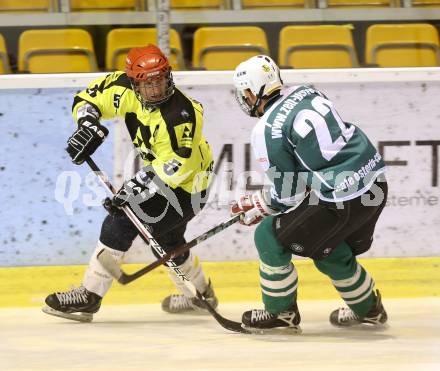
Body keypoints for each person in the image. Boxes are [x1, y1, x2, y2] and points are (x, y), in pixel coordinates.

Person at [42, 44, 217, 322]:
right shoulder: (123, 87)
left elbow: (176, 165)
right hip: (170, 177)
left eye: (160, 80)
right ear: (135, 83)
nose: (156, 89)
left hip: (190, 185)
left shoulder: (181, 115)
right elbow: (88, 99)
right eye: (149, 84)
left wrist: (135, 187)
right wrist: (87, 123)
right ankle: (202, 294)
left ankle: (89, 296)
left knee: (122, 219)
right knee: (168, 239)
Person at [230, 55, 388, 334]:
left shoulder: (266, 130)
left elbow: (288, 194)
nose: (244, 98)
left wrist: (261, 205)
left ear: (253, 91)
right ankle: (370, 309)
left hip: (342, 199)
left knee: (268, 235)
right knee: (325, 246)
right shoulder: (307, 91)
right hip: (375, 182)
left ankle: (281, 314)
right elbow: (311, 164)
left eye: (245, 92)